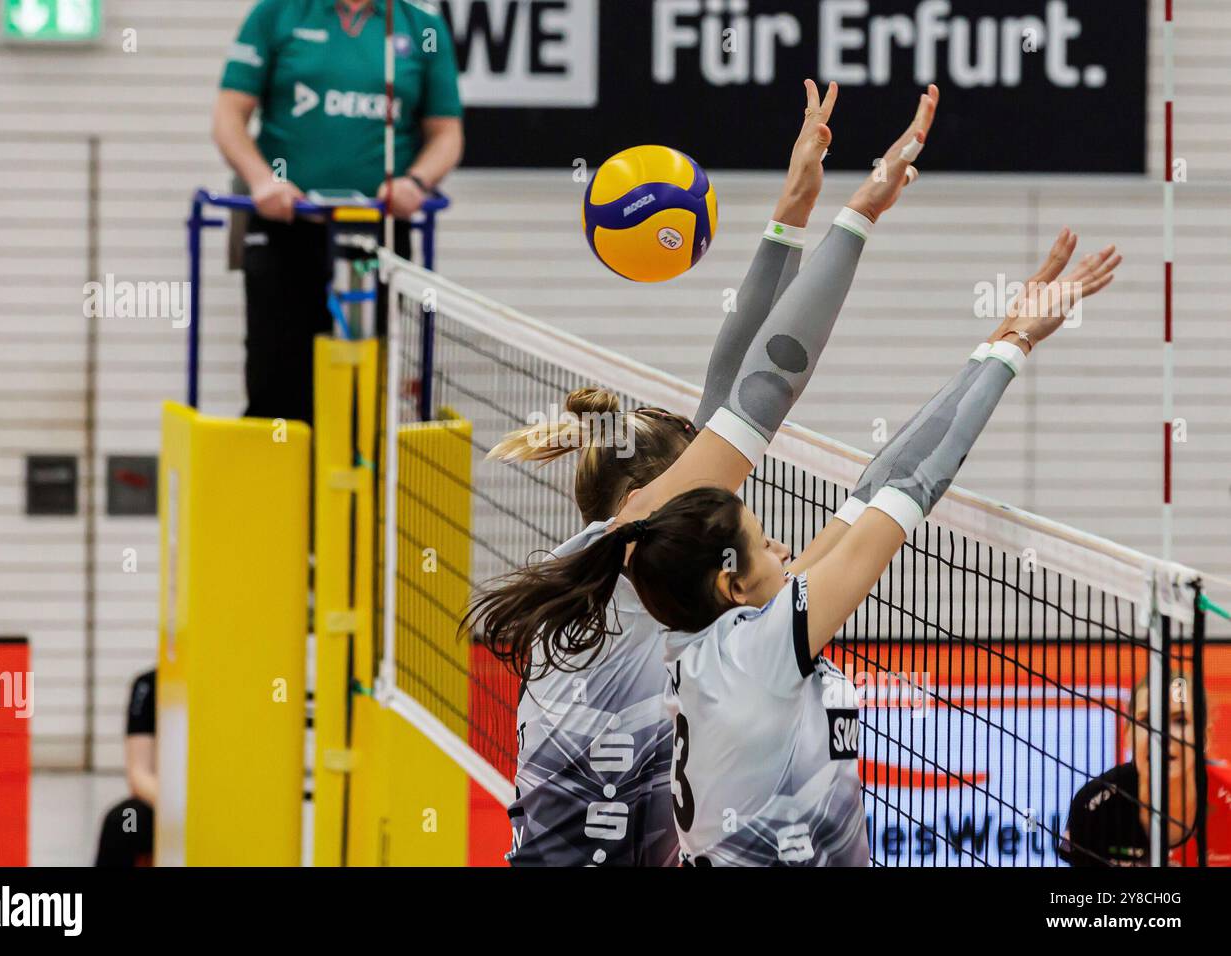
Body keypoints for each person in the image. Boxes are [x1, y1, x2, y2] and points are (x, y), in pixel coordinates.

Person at [469, 220, 1121, 864]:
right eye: (762, 542)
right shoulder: (757, 649)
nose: (783, 545)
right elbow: (902, 486)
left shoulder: (703, 623)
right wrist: (1012, 345)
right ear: (728, 580)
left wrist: (999, 339)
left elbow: (876, 486)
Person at [487, 81, 941, 865]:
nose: (717, 493)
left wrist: (791, 211)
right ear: (640, 501)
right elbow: (763, 390)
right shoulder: (634, 555)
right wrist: (858, 215)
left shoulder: (612, 559)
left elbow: (728, 392)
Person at [212, 0, 464, 424]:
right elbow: (228, 116)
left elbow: (447, 132)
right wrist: (261, 179)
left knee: (362, 392)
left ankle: (356, 486)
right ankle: (279, 486)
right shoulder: (276, 15)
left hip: (375, 237)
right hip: (285, 233)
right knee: (275, 386)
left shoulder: (421, 28)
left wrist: (416, 182)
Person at [1060, 669, 1229, 866]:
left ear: (1203, 738)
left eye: (1180, 721)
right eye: (1147, 720)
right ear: (1128, 733)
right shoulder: (1092, 804)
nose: (1163, 736)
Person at [94, 669, 157, 867]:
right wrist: (176, 805)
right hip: (163, 800)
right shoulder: (148, 685)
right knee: (124, 821)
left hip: (224, 802)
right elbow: (139, 773)